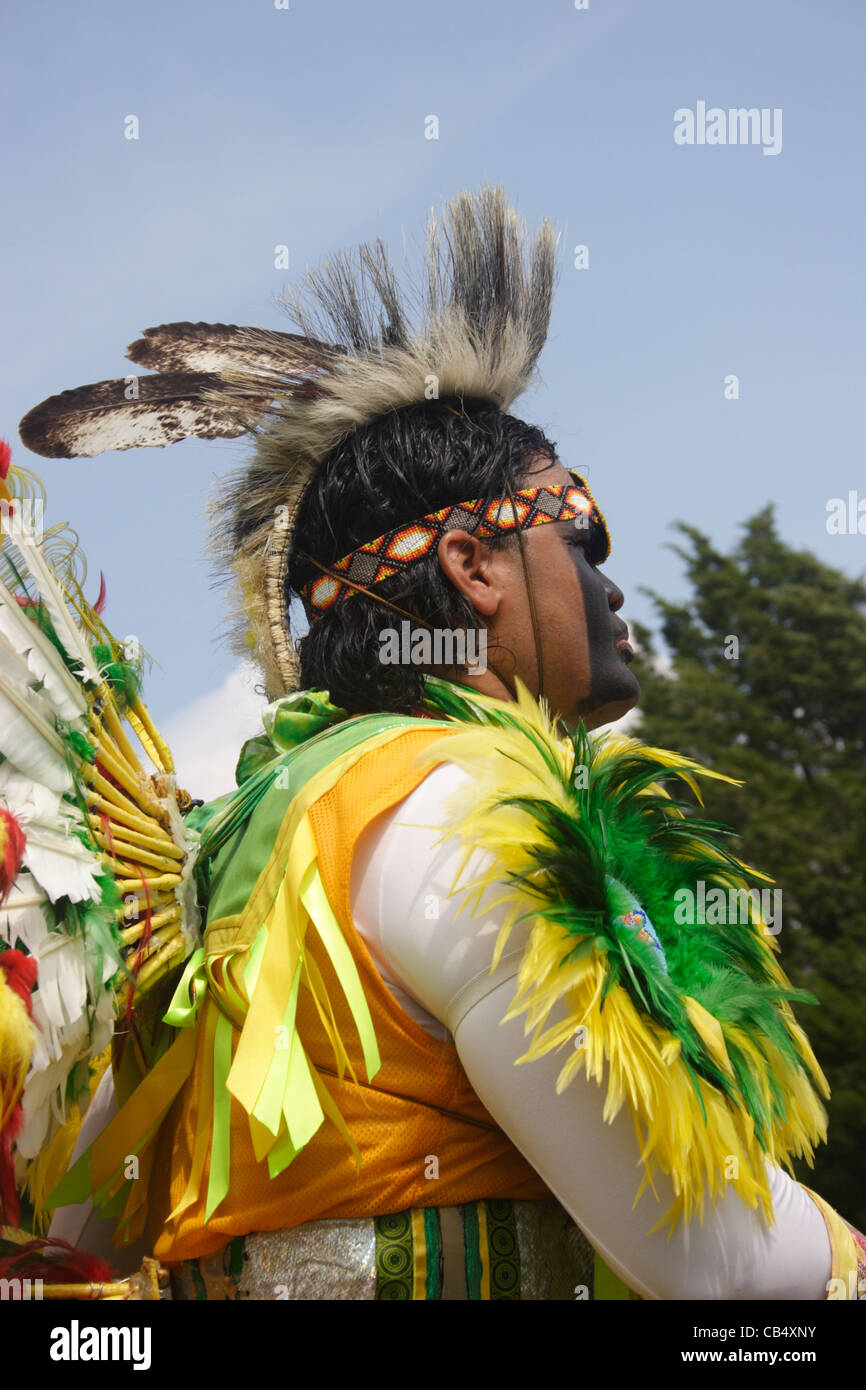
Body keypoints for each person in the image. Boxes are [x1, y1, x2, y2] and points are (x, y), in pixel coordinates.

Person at [18, 187, 865, 1300]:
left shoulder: (245, 852)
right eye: (579, 532)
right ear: (469, 566)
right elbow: (721, 1268)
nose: (610, 583)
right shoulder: (467, 804)